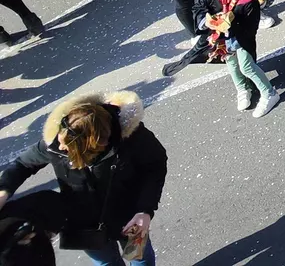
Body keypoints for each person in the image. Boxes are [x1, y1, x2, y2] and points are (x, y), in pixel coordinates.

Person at [0, 90, 169, 266]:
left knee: (139, 259)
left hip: (131, 218)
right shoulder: (56, 142)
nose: (61, 147)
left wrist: (145, 211)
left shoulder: (133, 137)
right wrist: (4, 190)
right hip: (82, 225)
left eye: (68, 148)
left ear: (97, 145)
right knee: (106, 263)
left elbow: (155, 166)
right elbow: (23, 164)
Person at [194, 0, 280, 117]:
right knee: (231, 63)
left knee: (247, 67)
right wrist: (206, 21)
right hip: (224, 38)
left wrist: (229, 25)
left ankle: (269, 93)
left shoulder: (249, 2)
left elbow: (250, 29)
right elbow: (199, 6)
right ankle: (243, 88)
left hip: (241, 39)